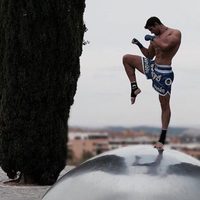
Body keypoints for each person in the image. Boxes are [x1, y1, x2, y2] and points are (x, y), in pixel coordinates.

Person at [122, 16, 181, 150]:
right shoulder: (155, 38)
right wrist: (139, 44)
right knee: (126, 58)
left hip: (164, 72)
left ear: (156, 24)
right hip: (153, 66)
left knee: (164, 105)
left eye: (151, 29)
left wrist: (153, 39)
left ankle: (162, 139)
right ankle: (134, 88)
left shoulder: (174, 33)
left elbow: (166, 47)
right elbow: (149, 55)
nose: (151, 33)